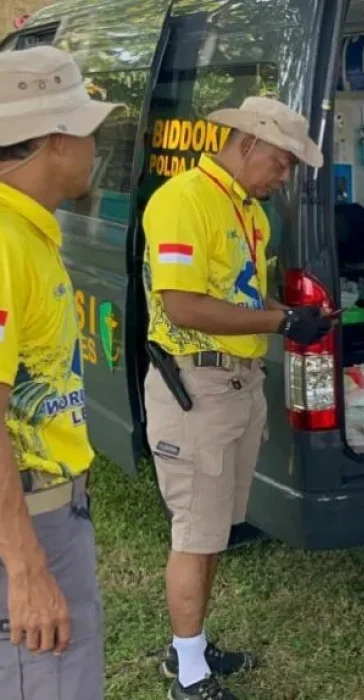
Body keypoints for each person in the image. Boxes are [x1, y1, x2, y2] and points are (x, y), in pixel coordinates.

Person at [143, 97, 334, 700]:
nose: (284, 176)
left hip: (236, 383)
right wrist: (281, 326)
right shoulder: (184, 200)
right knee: (194, 530)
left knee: (215, 528)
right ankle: (188, 677)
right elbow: (182, 304)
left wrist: (286, 314)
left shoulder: (249, 211)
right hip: (196, 385)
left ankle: (190, 648)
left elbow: (238, 297)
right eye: (281, 162)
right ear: (247, 142)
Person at [0, 46, 122, 700]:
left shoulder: (27, 232)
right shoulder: (4, 243)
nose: (97, 145)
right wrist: (23, 567)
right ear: (55, 140)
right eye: (88, 129)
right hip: (27, 517)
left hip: (46, 505)